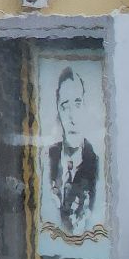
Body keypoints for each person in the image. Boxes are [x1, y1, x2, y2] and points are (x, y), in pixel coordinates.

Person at [46, 67, 99, 236]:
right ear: (58, 110)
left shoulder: (98, 167)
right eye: (65, 106)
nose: (72, 117)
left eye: (77, 104)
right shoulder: (45, 161)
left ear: (85, 107)